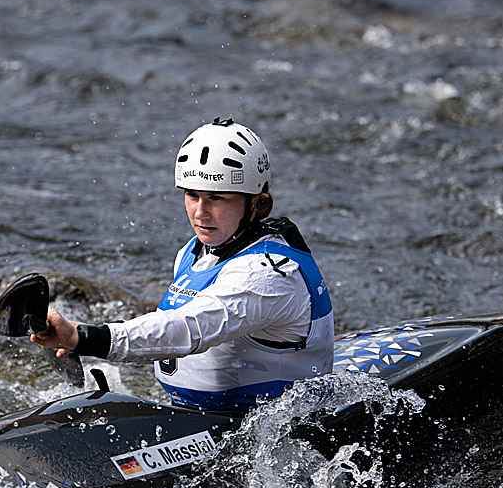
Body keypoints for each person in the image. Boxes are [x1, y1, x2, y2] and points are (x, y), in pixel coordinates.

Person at [31, 117, 334, 411]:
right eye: (192, 196)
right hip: (195, 415)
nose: (200, 213)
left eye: (217, 198)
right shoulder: (196, 251)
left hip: (259, 426)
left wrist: (83, 337)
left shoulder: (268, 275)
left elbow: (187, 328)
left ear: (255, 201)